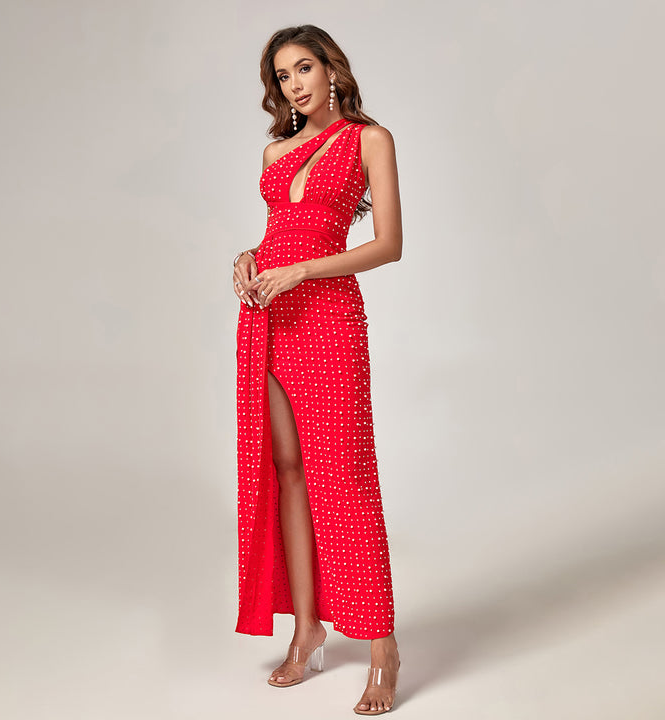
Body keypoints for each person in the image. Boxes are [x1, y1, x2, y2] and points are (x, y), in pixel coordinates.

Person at [232, 24, 403, 716]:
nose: (295, 84)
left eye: (304, 68)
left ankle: (383, 648)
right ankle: (307, 630)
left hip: (328, 316)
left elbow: (389, 244)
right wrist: (249, 258)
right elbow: (281, 233)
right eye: (283, 75)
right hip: (268, 315)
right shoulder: (276, 151)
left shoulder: (369, 139)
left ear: (331, 70)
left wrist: (302, 270)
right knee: (287, 472)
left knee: (346, 475)